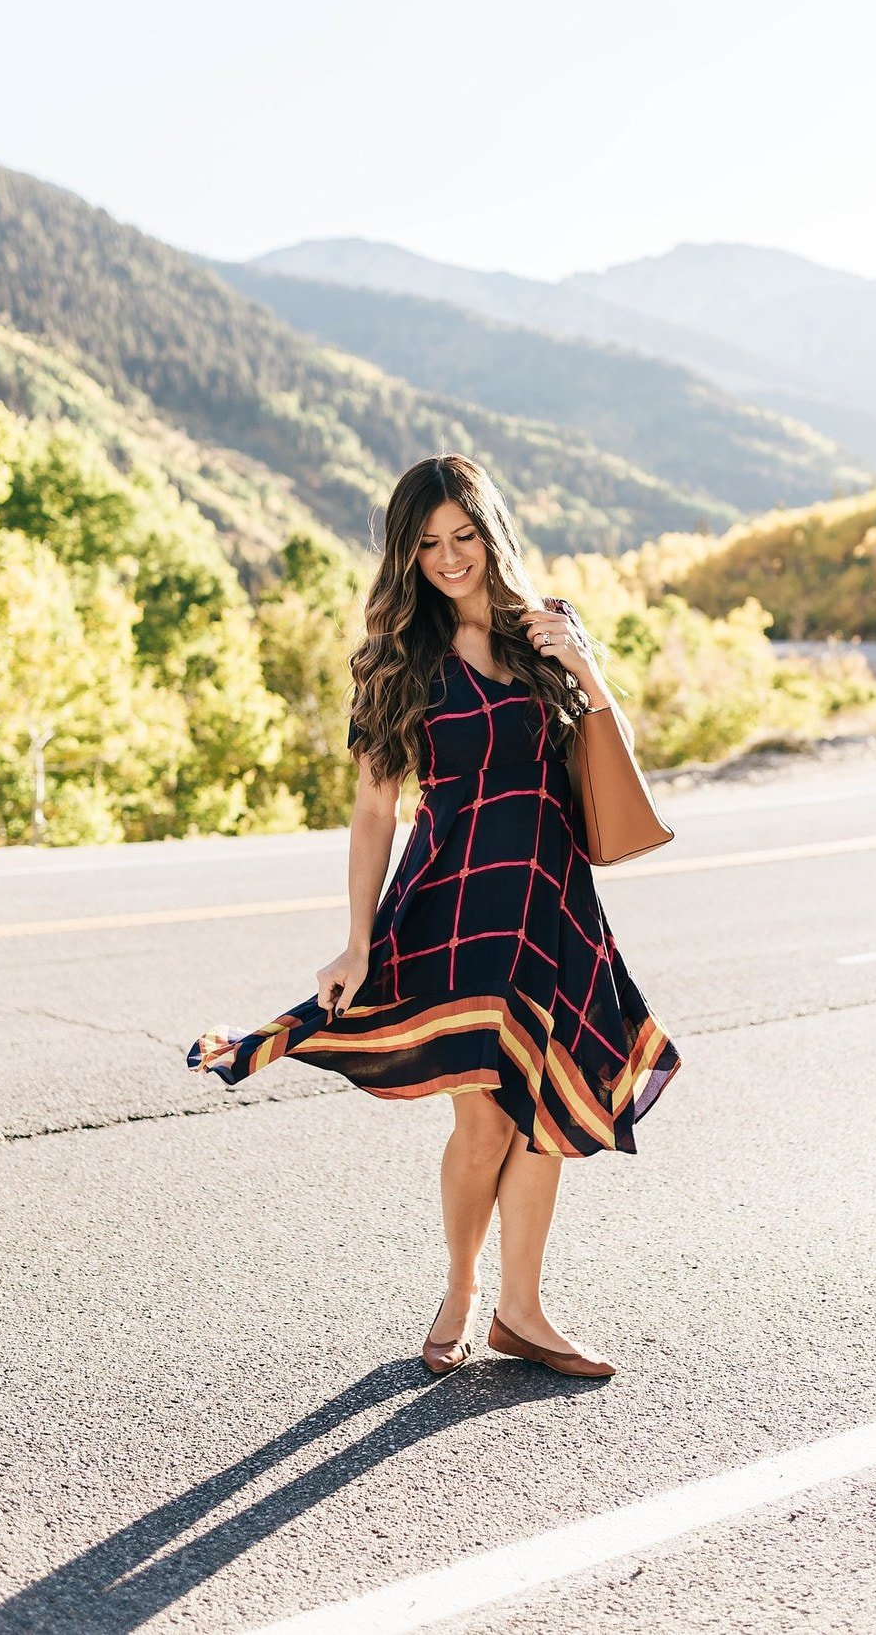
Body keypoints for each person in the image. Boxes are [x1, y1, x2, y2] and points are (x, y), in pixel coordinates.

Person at [186, 454, 682, 1379]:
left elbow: (602, 765)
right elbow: (377, 807)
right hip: (459, 908)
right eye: (427, 544)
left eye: (463, 536)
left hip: (554, 901)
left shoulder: (547, 638)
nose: (449, 557)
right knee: (486, 1123)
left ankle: (522, 1311)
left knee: (548, 1113)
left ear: (491, 534)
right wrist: (357, 936)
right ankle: (461, 1290)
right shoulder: (397, 661)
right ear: (405, 556)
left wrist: (583, 663)